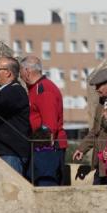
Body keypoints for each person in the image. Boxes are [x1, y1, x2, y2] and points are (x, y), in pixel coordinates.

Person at [20, 55, 66, 187]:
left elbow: (49, 126)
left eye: (21, 72)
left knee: (46, 186)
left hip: (47, 149)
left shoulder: (44, 90)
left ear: (27, 71)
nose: (20, 76)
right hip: (42, 148)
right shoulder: (36, 88)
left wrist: (43, 153)